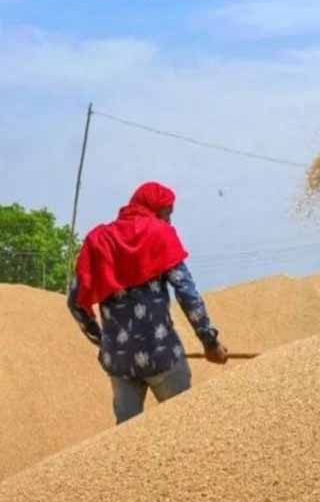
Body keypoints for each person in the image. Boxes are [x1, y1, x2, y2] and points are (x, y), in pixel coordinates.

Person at [67, 181, 228, 424]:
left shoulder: (98, 241)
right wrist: (210, 341)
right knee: (185, 426)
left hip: (119, 363)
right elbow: (187, 293)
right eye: (167, 213)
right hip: (162, 355)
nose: (169, 221)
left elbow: (75, 302)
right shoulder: (160, 234)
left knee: (125, 436)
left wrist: (104, 341)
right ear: (154, 209)